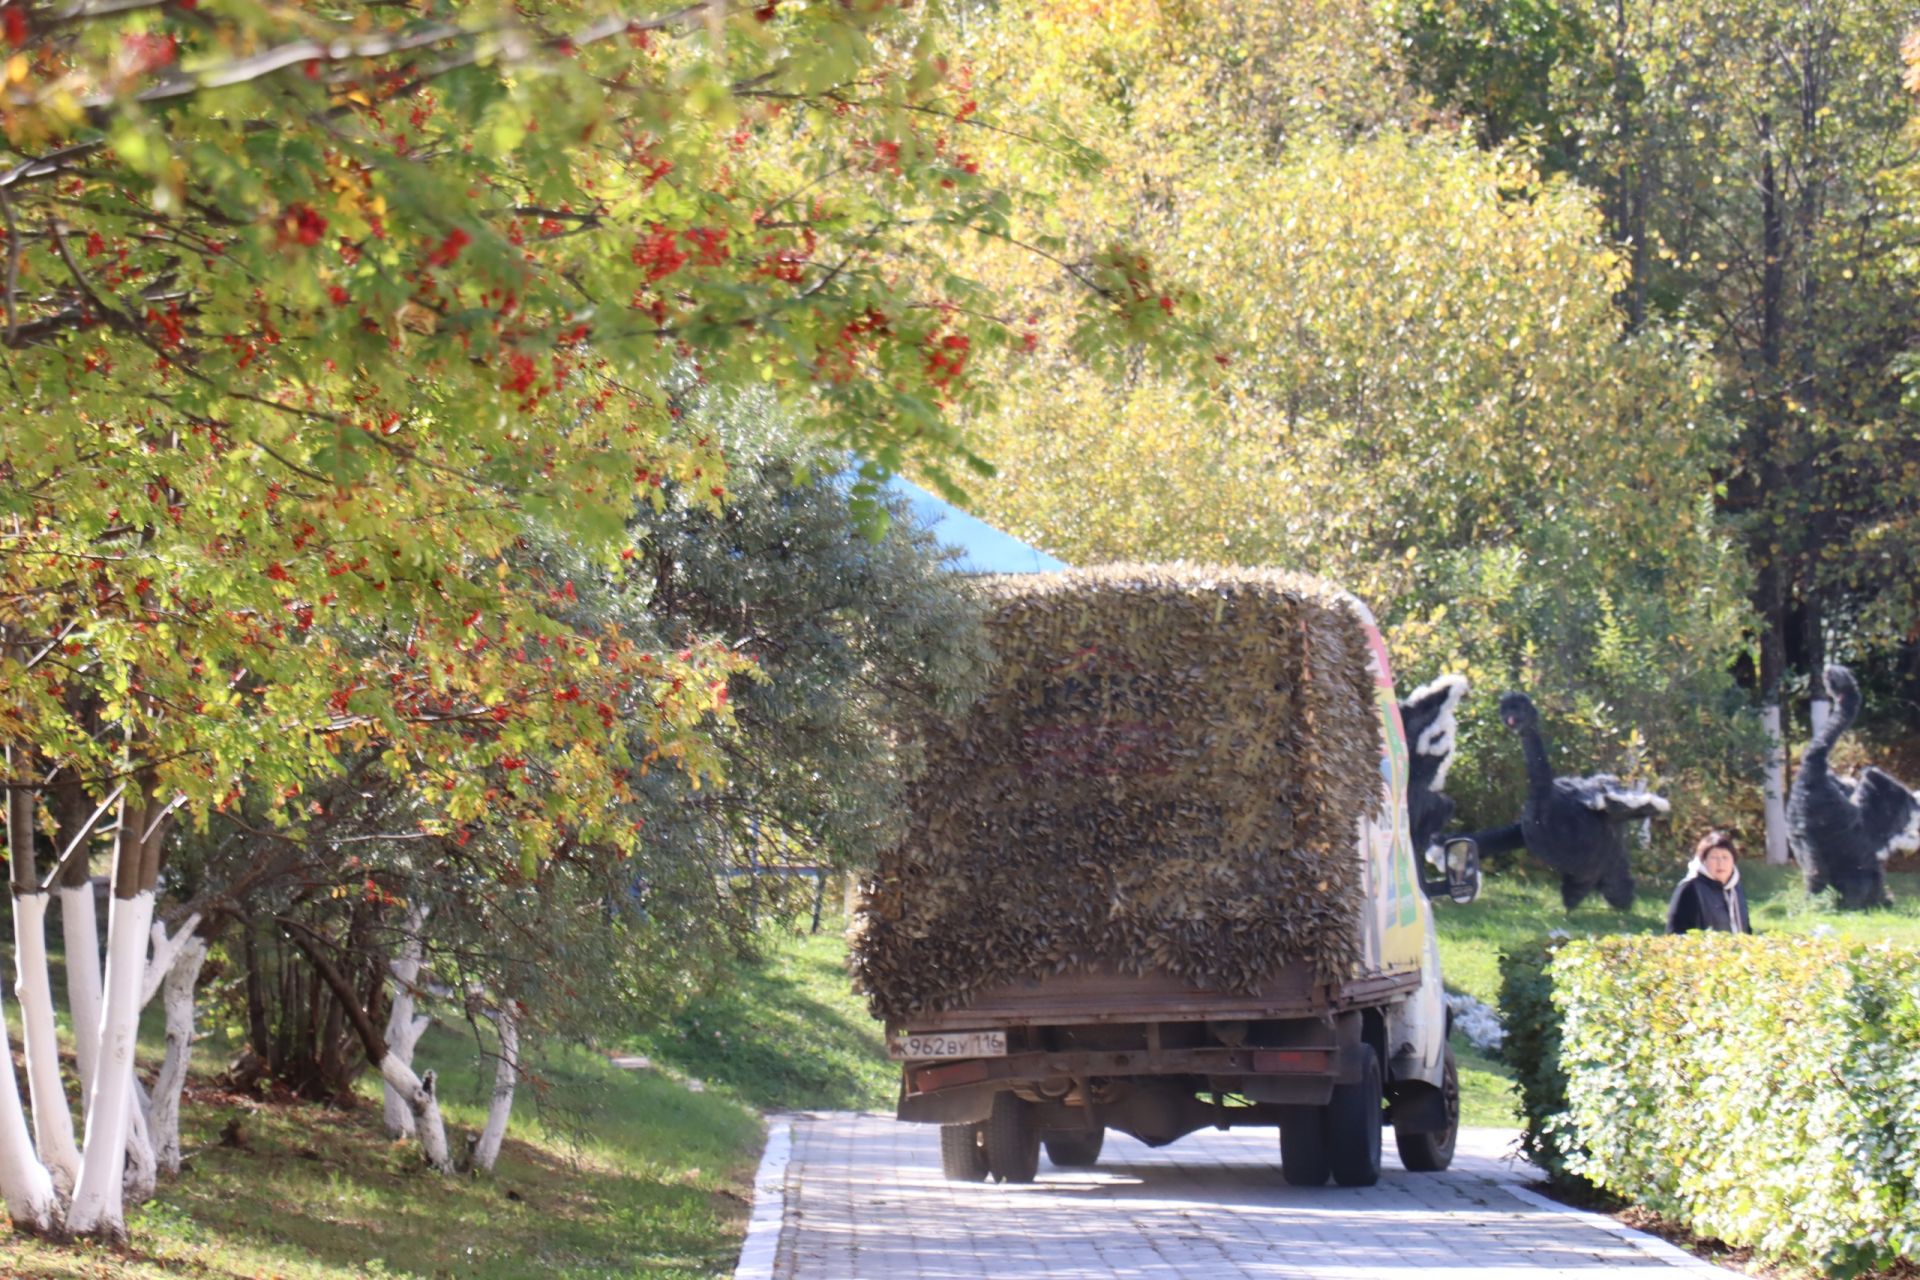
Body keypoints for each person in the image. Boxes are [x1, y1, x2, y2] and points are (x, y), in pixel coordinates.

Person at [1665, 829, 1751, 935]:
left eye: (1725, 857)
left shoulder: (1735, 888)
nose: (1720, 863)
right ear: (1703, 861)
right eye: (1714, 858)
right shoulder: (1690, 887)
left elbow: (1746, 929)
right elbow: (1675, 933)